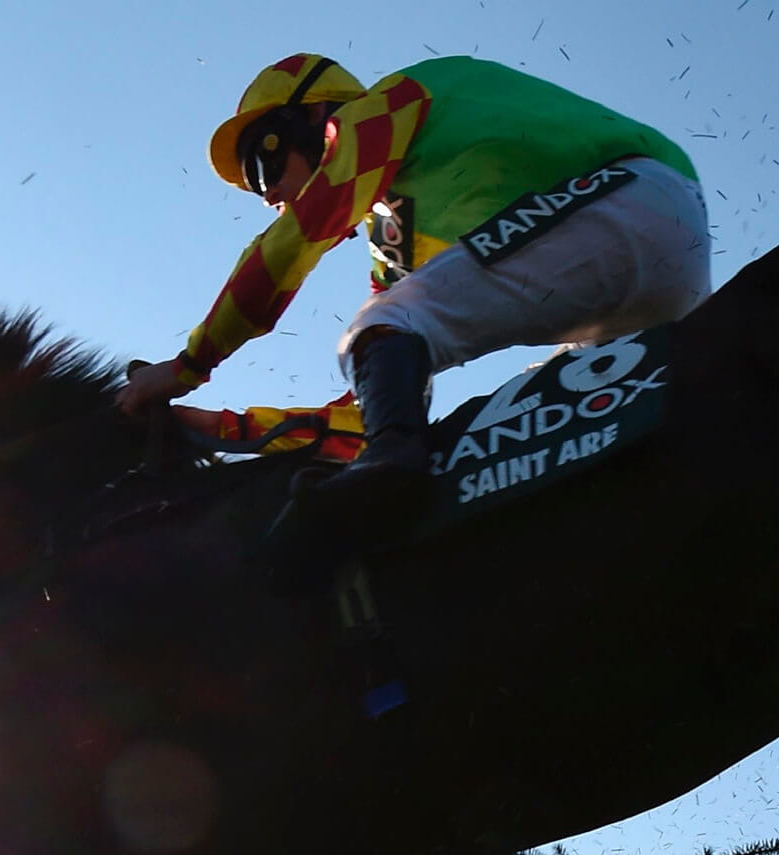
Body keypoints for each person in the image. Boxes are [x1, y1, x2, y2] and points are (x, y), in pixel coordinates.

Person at [118, 53, 711, 527]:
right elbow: (369, 415)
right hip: (636, 280)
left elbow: (299, 237)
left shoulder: (393, 101)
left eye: (262, 165)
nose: (267, 194)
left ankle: (398, 479)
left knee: (381, 327)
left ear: (309, 118)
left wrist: (187, 366)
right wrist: (215, 427)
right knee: (515, 429)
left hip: (633, 197)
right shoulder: (394, 242)